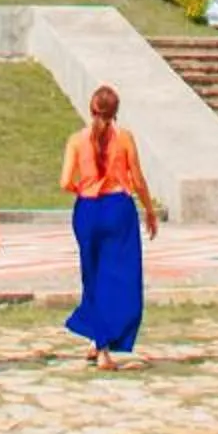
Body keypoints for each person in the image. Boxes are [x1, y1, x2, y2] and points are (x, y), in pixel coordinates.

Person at [60, 83, 159, 364]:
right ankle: (105, 341)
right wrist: (149, 210)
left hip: (88, 209)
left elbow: (65, 180)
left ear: (91, 110)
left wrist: (82, 190)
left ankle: (97, 339)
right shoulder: (124, 138)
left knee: (92, 275)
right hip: (118, 208)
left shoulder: (77, 140)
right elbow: (137, 179)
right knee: (122, 276)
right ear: (116, 112)